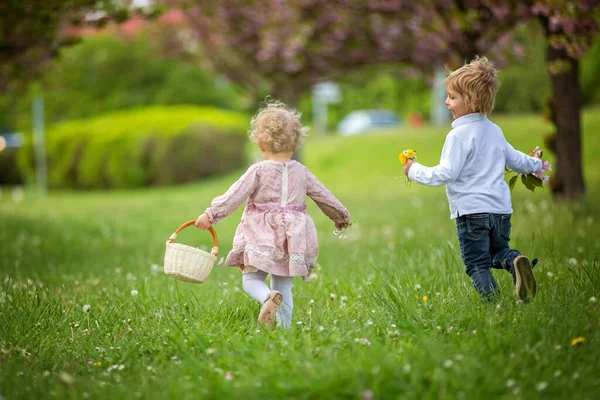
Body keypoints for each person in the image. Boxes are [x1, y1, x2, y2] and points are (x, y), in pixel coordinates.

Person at [195, 99, 351, 327]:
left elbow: (234, 195)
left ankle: (266, 297)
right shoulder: (302, 172)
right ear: (295, 145)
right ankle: (285, 331)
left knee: (251, 280)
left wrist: (211, 215)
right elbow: (323, 196)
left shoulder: (258, 170)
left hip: (262, 234)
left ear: (261, 144)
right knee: (284, 286)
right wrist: (341, 216)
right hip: (292, 238)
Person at [404, 56, 543, 302]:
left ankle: (495, 306)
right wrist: (536, 162)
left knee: (476, 264)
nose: (446, 102)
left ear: (473, 100)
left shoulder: (458, 136)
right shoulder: (494, 131)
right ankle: (514, 260)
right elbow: (516, 160)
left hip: (471, 212)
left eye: (452, 97)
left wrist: (413, 170)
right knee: (497, 252)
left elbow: (445, 173)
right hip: (500, 211)